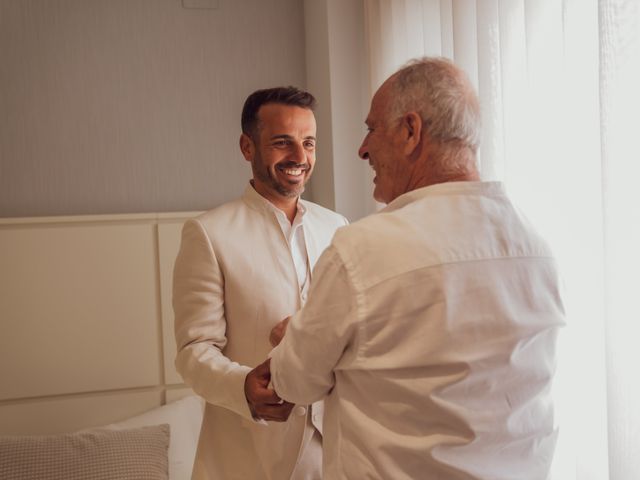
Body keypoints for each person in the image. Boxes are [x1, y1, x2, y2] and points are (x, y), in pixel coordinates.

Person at [248, 57, 565, 479]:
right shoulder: (536, 247)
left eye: (371, 128)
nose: (362, 149)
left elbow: (295, 384)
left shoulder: (360, 248)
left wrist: (294, 339)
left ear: (411, 131)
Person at [173, 86, 348, 480]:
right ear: (247, 147)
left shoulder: (338, 228)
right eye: (283, 143)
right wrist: (242, 387)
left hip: (336, 455)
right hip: (248, 457)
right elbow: (193, 350)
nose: (300, 158)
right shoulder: (208, 233)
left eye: (309, 143)